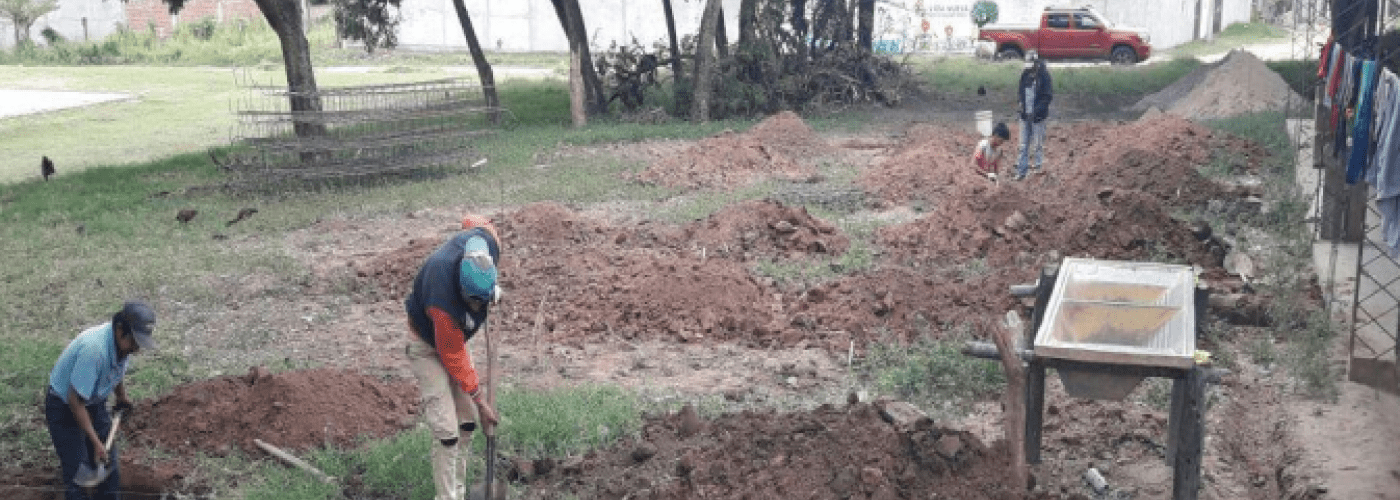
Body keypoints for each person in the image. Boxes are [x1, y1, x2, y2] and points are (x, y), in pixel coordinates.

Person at [405, 214, 504, 500]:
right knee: (447, 432)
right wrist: (482, 401)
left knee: (467, 423)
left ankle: (459, 492)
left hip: (455, 341)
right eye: (474, 301)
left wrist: (494, 293)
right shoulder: (443, 303)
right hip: (428, 348)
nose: (478, 307)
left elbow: (472, 220)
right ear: (461, 289)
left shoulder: (486, 242)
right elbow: (454, 356)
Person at [46, 301, 157, 500]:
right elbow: (75, 401)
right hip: (65, 406)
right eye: (134, 342)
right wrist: (96, 441)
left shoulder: (123, 346)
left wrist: (121, 396)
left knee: (109, 466)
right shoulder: (94, 350)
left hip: (92, 401)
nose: (136, 349)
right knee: (78, 473)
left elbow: (115, 370)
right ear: (120, 329)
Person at [1016, 51, 1053, 181]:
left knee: (1037, 145)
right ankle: (1021, 172)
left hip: (1038, 117)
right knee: (1023, 145)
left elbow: (1047, 97)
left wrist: (1037, 110)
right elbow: (1020, 91)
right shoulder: (1025, 74)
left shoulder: (1044, 76)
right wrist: (1020, 103)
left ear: (1036, 63)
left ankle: (1038, 170)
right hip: (1025, 116)